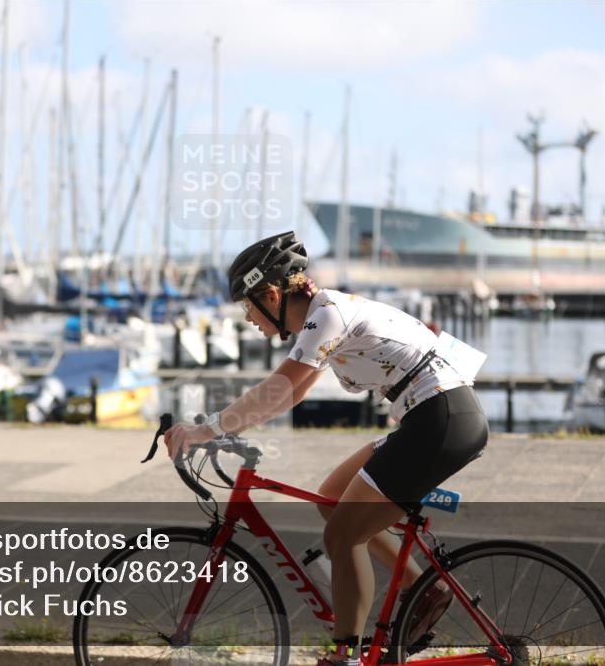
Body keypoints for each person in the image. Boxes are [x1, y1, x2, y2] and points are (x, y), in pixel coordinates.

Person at [164, 231, 489, 666]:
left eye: (248, 306)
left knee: (342, 535)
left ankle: (345, 656)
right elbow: (290, 395)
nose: (248, 318)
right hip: (432, 417)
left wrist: (208, 428)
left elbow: (278, 386)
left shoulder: (328, 316)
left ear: (273, 295)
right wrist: (226, 429)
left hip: (441, 420)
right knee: (332, 497)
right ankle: (421, 590)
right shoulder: (324, 316)